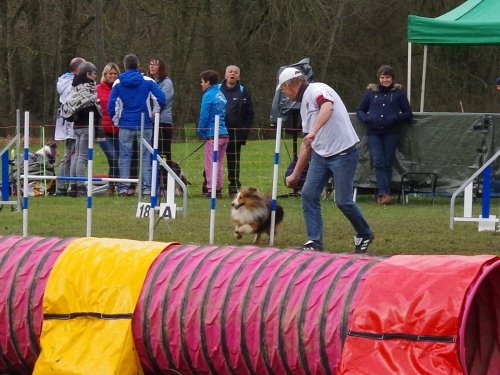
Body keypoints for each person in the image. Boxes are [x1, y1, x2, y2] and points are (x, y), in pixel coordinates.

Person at [280, 67, 374, 254]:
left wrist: (314, 131)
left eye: (283, 89)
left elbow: (327, 107)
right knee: (308, 194)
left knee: (343, 201)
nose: (284, 94)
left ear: (291, 84)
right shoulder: (303, 107)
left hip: (343, 153)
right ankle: (315, 241)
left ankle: (364, 233)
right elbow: (307, 143)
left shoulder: (317, 90)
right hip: (321, 156)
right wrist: (295, 174)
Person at [107, 54, 166, 197]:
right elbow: (161, 99)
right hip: (144, 124)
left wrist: (117, 121)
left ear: (125, 66)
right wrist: (153, 114)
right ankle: (146, 189)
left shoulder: (117, 83)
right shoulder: (148, 81)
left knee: (125, 157)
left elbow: (112, 106)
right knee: (146, 157)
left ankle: (124, 189)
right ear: (138, 65)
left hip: (126, 124)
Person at [356, 65, 413, 205]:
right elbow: (360, 110)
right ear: (378, 78)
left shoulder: (399, 93)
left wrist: (396, 117)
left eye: (387, 77)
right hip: (374, 132)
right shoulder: (371, 93)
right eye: (382, 77)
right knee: (378, 162)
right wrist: (366, 119)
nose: (385, 80)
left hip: (391, 132)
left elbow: (408, 113)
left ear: (392, 78)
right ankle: (384, 193)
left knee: (387, 162)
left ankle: (383, 193)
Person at [61, 61, 101, 197]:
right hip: (86, 126)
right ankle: (81, 186)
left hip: (76, 125)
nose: (96, 76)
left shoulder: (75, 86)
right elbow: (94, 105)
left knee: (76, 156)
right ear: (88, 74)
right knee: (82, 158)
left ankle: (73, 186)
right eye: (94, 73)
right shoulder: (88, 87)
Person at [219, 65, 254, 197]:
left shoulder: (243, 91)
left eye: (235, 72)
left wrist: (243, 131)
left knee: (233, 161)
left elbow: (250, 114)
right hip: (218, 132)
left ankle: (233, 187)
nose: (232, 74)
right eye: (230, 72)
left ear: (238, 76)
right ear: (225, 75)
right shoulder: (217, 89)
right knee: (214, 159)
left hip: (235, 134)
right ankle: (212, 187)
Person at [53, 57, 85, 196]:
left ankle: (65, 185)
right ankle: (65, 186)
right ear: (78, 69)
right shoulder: (71, 83)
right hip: (71, 123)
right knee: (71, 154)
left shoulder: (64, 81)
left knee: (71, 154)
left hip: (67, 123)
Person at [197, 70, 229, 198]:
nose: (201, 84)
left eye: (202, 81)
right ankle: (218, 188)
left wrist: (201, 131)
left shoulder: (208, 95)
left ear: (208, 82)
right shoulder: (221, 94)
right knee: (219, 163)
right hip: (224, 133)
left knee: (210, 163)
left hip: (212, 134)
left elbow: (204, 115)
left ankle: (212, 190)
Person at [146, 58, 174, 190]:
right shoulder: (148, 81)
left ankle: (165, 183)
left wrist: (152, 111)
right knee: (151, 153)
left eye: (155, 64)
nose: (152, 66)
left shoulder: (167, 83)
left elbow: (162, 100)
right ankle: (152, 182)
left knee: (164, 153)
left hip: (163, 121)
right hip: (150, 121)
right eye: (150, 64)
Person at [96, 62, 121, 196]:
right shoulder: (98, 89)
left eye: (115, 73)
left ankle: (113, 186)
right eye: (110, 73)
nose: (112, 76)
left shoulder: (120, 88)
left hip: (118, 130)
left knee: (118, 159)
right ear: (105, 75)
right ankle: (112, 185)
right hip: (102, 131)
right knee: (113, 157)